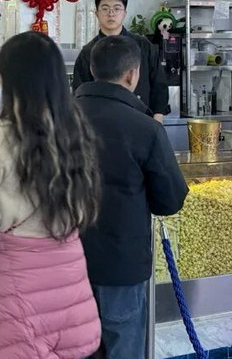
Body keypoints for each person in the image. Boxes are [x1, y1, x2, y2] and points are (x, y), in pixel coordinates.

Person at [0, 31, 102, 359]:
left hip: (17, 294)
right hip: (71, 290)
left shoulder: (1, 135)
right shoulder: (77, 129)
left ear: (10, 80)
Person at [75, 36, 187, 359]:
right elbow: (170, 200)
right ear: (132, 75)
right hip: (120, 267)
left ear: (92, 70)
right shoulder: (145, 128)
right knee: (123, 347)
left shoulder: (56, 121)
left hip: (62, 266)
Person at [71, 0, 169, 122]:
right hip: (101, 122)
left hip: (141, 120)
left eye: (116, 8)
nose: (111, 13)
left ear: (124, 13)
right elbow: (79, 92)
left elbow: (159, 84)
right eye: (105, 9)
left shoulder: (143, 46)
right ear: (96, 14)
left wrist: (157, 119)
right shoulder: (88, 51)